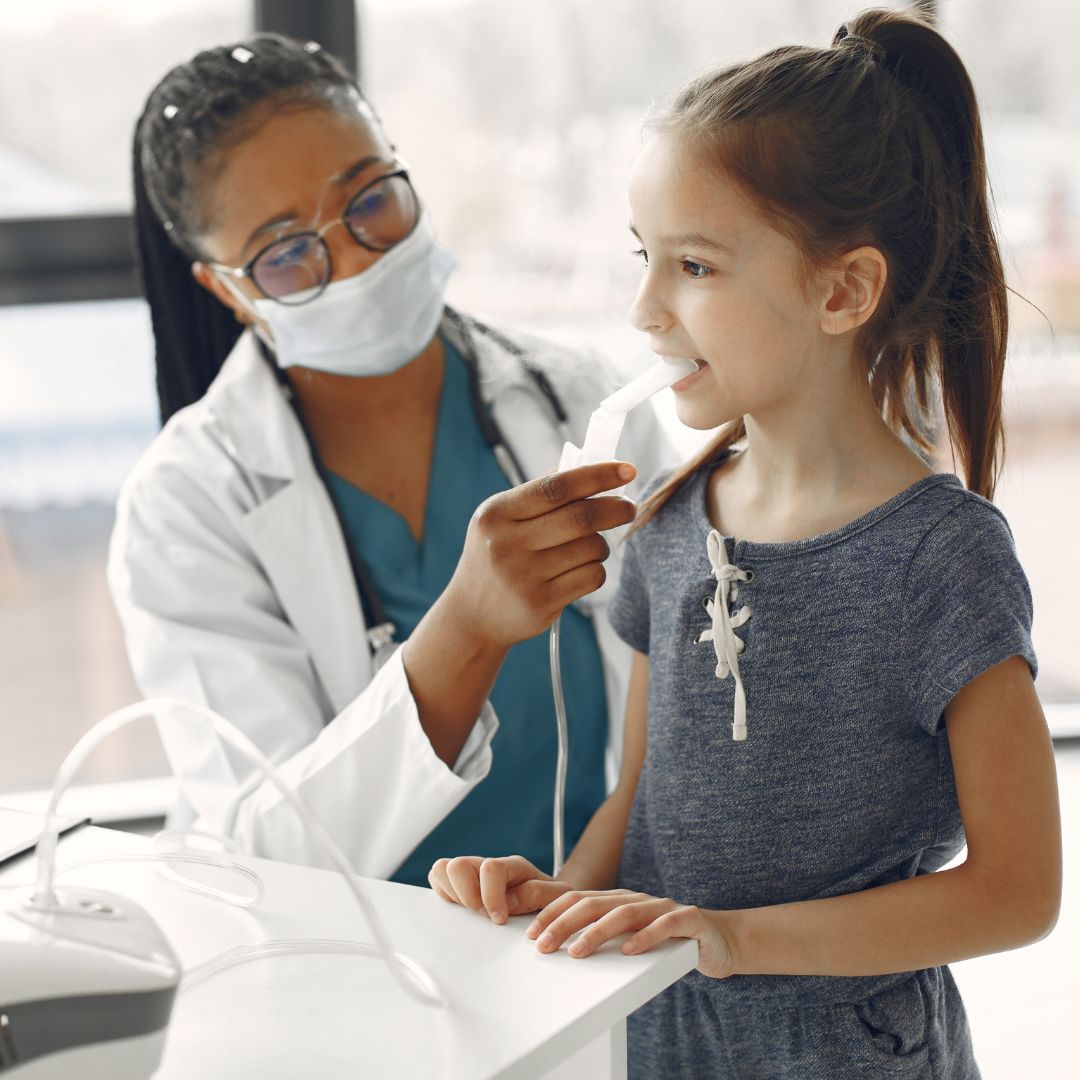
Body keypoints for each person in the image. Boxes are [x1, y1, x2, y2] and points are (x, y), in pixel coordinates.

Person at [429, 8, 1063, 1077]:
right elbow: (641, 810)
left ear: (844, 290)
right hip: (662, 1041)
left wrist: (731, 938)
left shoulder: (942, 561)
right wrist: (560, 901)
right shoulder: (670, 519)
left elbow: (1018, 892)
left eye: (695, 267)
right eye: (645, 258)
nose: (642, 308)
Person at [108, 33, 672, 886]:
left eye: (369, 200)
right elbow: (272, 850)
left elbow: (687, 710)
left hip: (581, 951)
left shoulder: (572, 395)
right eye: (286, 253)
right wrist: (465, 632)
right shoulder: (188, 503)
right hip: (354, 981)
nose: (357, 258)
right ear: (228, 290)